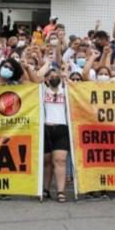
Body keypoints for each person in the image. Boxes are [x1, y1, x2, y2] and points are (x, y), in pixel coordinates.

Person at [40, 69, 70, 203]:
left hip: (62, 128)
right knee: (47, 162)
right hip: (46, 128)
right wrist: (47, 62)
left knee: (60, 160)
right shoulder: (42, 91)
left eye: (56, 76)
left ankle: (60, 191)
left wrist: (66, 78)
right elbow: (37, 76)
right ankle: (46, 189)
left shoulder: (67, 91)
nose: (54, 78)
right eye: (51, 76)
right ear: (46, 79)